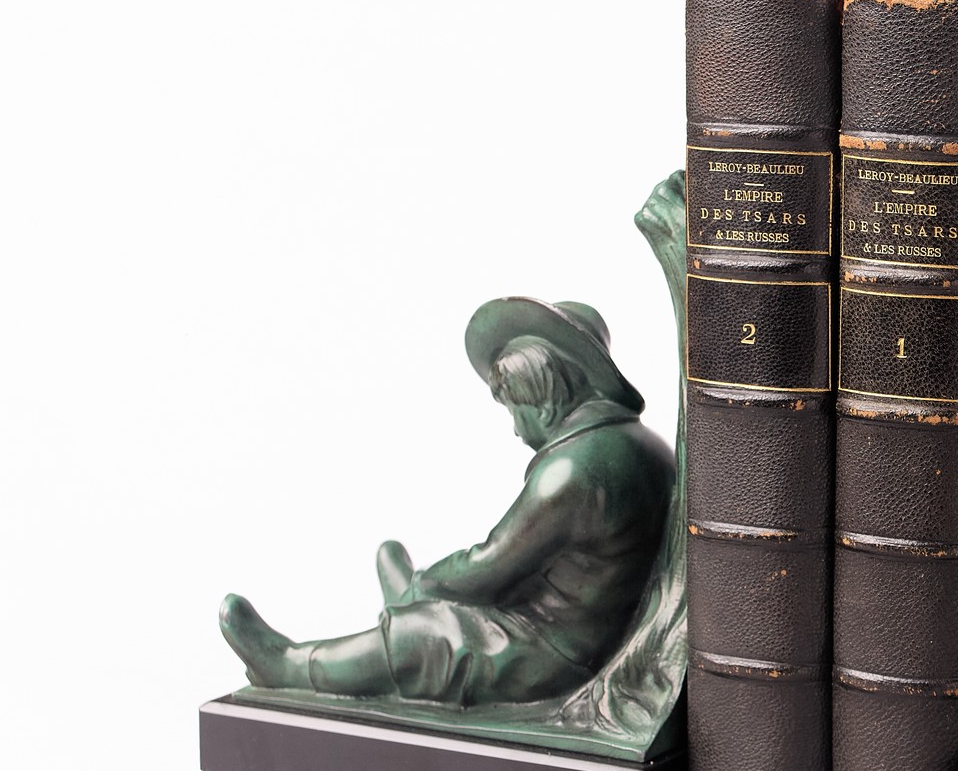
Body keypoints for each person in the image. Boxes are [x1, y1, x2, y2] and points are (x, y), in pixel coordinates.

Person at [218, 297, 674, 707]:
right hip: (580, 627)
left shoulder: (572, 471)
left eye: (514, 410)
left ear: (544, 402)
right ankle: (411, 605)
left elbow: (491, 564)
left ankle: (290, 664)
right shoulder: (646, 446)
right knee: (438, 612)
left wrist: (428, 582)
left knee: (426, 638)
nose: (516, 430)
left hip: (551, 650)